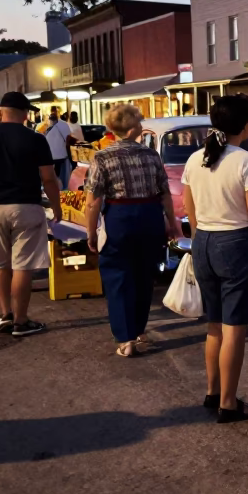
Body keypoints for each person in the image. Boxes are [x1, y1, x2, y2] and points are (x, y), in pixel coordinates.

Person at [182, 94, 248, 423]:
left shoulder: (195, 159)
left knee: (214, 325)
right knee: (234, 329)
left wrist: (204, 237)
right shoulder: (246, 161)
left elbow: (190, 210)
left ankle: (213, 392)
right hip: (236, 245)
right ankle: (229, 403)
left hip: (203, 243)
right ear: (246, 126)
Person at [85, 104, 181, 358]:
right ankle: (139, 329)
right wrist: (172, 222)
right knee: (143, 276)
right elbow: (165, 194)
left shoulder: (102, 157)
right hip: (149, 216)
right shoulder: (151, 156)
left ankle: (125, 338)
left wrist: (91, 231)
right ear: (132, 128)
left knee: (118, 277)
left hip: (119, 217)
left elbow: (93, 200)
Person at [0, 92, 62, 337]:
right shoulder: (35, 139)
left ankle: (5, 315)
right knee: (23, 266)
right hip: (26, 206)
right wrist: (56, 206)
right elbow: (48, 178)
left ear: (1, 111)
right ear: (25, 112)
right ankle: (21, 321)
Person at [41, 106, 73, 189]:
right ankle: (59, 188)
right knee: (60, 174)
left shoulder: (45, 125)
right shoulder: (62, 124)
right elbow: (68, 140)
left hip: (52, 156)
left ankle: (56, 188)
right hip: (60, 156)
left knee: (55, 174)